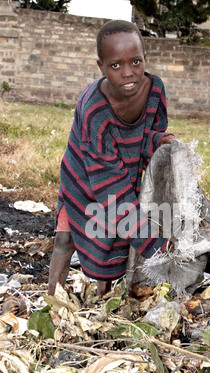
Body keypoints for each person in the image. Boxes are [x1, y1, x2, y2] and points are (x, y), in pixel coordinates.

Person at [48, 19, 174, 297]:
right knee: (66, 237)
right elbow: (110, 187)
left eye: (136, 62)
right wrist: (154, 244)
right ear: (101, 67)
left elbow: (147, 137)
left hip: (123, 175)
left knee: (114, 239)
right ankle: (51, 302)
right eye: (116, 65)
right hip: (84, 176)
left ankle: (103, 298)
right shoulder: (94, 108)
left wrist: (159, 142)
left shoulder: (154, 91)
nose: (128, 73)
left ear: (145, 59)